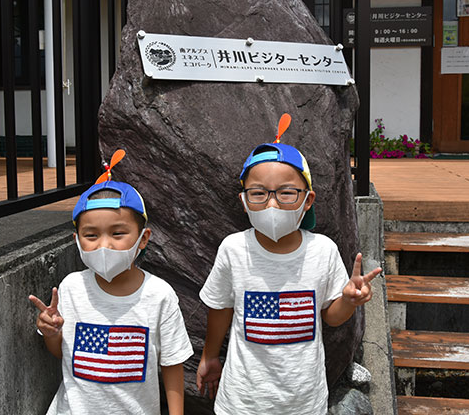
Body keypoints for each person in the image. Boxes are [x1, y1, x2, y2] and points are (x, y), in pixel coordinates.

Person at [196, 115, 382, 414]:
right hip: (242, 399)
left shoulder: (322, 250)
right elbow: (220, 306)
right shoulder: (234, 248)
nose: (272, 204)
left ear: (307, 200)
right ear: (244, 200)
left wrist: (349, 300)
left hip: (304, 400)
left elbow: (331, 318)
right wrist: (209, 356)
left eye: (285, 193)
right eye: (258, 193)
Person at [29, 150, 193, 415]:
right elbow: (64, 354)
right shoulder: (71, 288)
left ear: (143, 238)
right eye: (91, 235)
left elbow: (172, 363)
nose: (104, 245)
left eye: (118, 233)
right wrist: (51, 331)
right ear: (76, 241)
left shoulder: (159, 295)